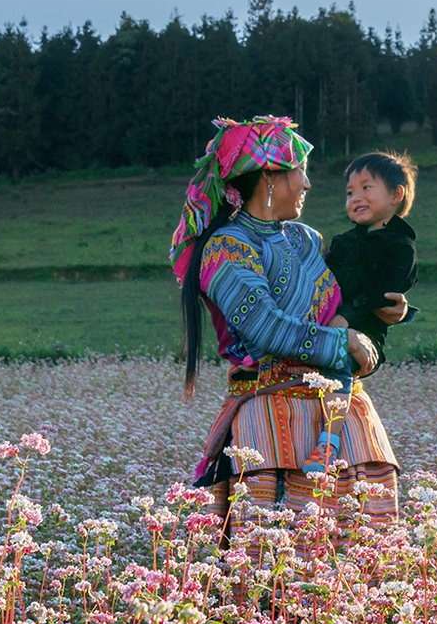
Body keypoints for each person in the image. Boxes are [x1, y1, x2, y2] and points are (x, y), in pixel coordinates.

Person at [170, 116, 408, 525]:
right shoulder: (226, 248)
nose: (307, 183)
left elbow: (346, 299)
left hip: (345, 416)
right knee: (274, 562)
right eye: (300, 171)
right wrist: (343, 343)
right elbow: (263, 326)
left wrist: (387, 309)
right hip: (270, 422)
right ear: (268, 177)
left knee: (361, 559)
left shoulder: (307, 239)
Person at [325, 151, 419, 357]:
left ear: (396, 195)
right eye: (350, 193)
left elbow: (380, 293)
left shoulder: (400, 247)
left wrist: (345, 317)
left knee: (338, 369)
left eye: (366, 188)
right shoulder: (343, 241)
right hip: (325, 325)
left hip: (364, 334)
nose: (356, 198)